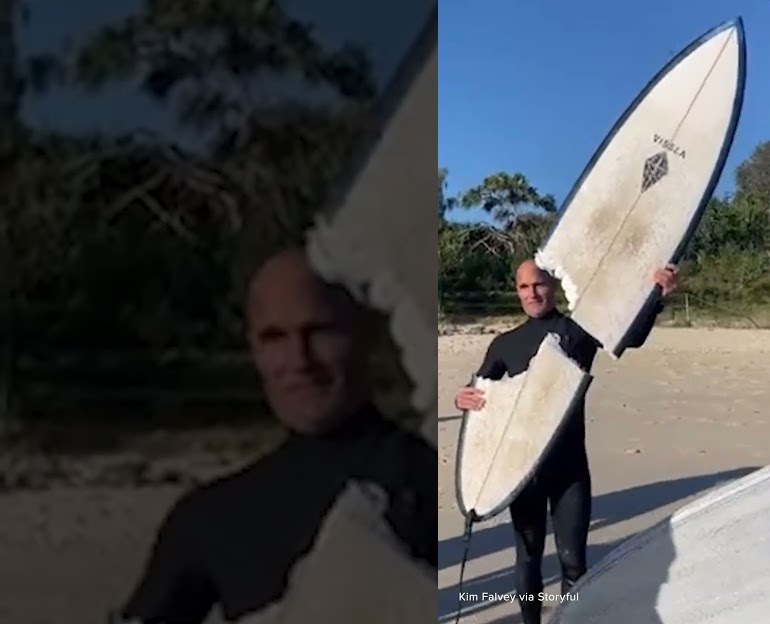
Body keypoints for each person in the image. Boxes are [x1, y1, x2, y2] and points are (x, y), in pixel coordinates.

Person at [113, 248, 436, 624]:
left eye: (319, 331)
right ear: (253, 348)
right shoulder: (212, 518)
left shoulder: (444, 489)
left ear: (367, 334)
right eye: (274, 337)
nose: (299, 360)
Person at [453, 259, 679, 624]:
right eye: (524, 287)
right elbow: (481, 398)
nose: (532, 293)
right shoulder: (504, 345)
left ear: (552, 286)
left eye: (538, 285)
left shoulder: (577, 331)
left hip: (569, 468)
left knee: (573, 560)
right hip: (521, 470)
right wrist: (460, 399)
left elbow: (629, 337)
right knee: (528, 557)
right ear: (517, 292)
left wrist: (657, 297)